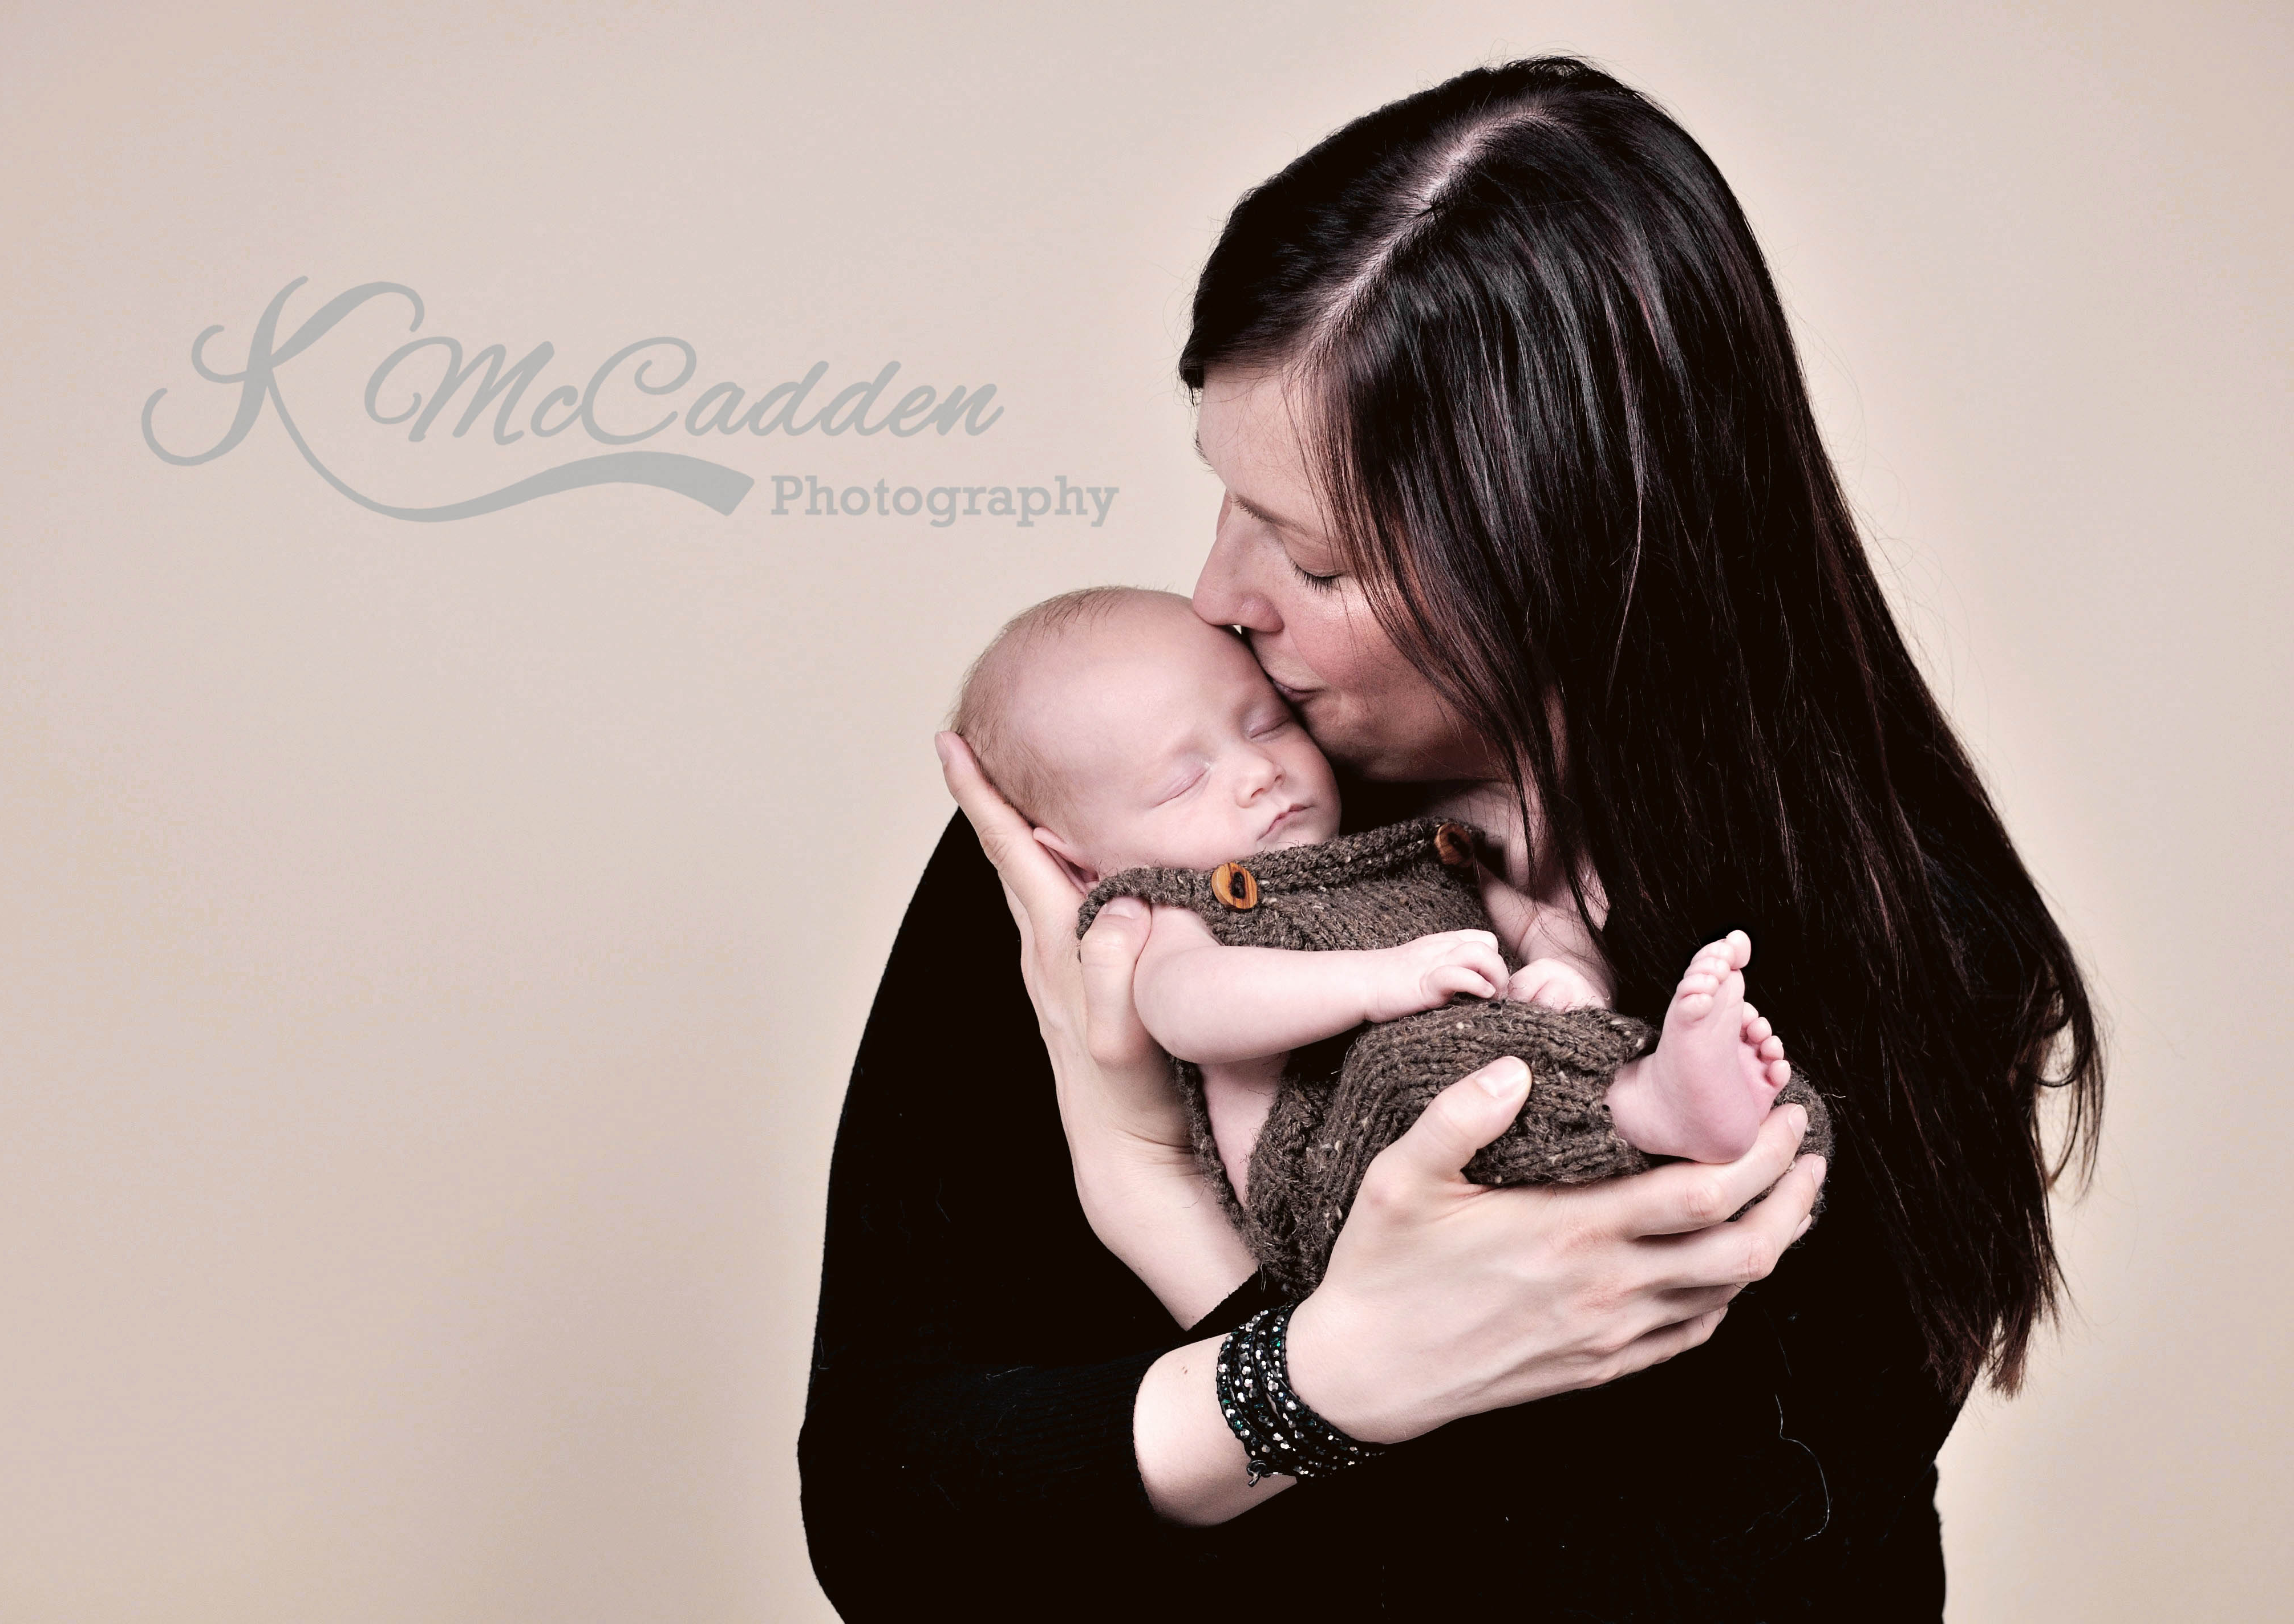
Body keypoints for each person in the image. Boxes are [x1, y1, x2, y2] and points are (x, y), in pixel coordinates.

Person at [801, 55, 2101, 1622]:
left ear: (1572, 557)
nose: (1217, 596)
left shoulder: (1897, 946)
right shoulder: (1144, 822)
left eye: (1315, 560)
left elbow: (1663, 1578)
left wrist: (1177, 1219)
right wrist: (1307, 1367)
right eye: (1225, 497)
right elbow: (882, 1522)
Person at [945, 583, 1825, 1298]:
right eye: (1184, 781)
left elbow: (1525, 922)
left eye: (1265, 724)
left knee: (1594, 1053)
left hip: (1497, 1080)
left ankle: (1709, 1119)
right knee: (1413, 1073)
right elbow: (1188, 1009)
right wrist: (1377, 981)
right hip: (1342, 1164)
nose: (1258, 773)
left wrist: (1568, 968)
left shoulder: (1403, 849)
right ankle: (1652, 1109)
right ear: (1080, 863)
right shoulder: (1175, 908)